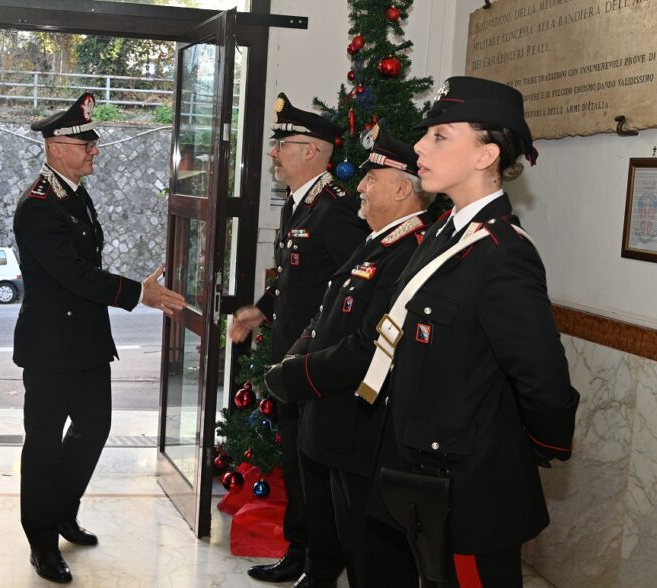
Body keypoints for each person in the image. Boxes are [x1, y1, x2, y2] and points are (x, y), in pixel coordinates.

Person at [363, 76, 580, 588]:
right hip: (423, 476)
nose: (419, 145)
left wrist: (537, 446)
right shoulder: (442, 233)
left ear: (486, 155)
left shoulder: (503, 253)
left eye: (440, 136)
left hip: (472, 487)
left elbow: (543, 379)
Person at [13, 92, 186, 583]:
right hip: (50, 349)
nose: (94, 150)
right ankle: (42, 542)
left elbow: (85, 268)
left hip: (87, 342)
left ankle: (63, 510)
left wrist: (133, 292)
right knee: (44, 445)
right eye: (85, 142)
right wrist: (139, 293)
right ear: (56, 146)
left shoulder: (73, 194)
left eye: (93, 142)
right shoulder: (38, 207)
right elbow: (72, 274)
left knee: (94, 428)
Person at [262, 121, 437, 588]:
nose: (358, 184)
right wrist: (294, 359)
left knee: (375, 560)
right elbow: (325, 312)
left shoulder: (409, 250)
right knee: (355, 546)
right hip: (338, 417)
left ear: (402, 189)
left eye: (371, 178)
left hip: (364, 425)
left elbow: (370, 344)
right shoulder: (380, 241)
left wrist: (295, 376)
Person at [229, 93, 369, 586]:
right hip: (291, 362)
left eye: (282, 143)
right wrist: (256, 311)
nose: (273, 152)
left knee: (314, 468)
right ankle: (300, 549)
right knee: (295, 461)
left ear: (312, 151)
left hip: (316, 366)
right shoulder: (301, 206)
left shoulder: (335, 211)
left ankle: (323, 566)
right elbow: (292, 278)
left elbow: (359, 287)